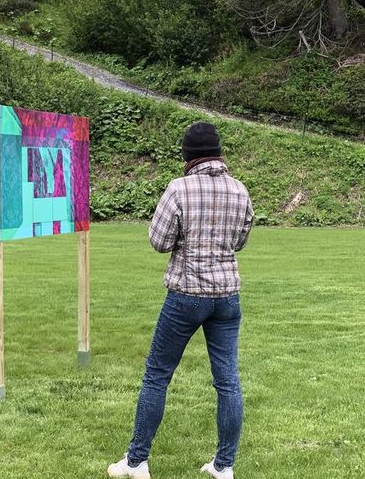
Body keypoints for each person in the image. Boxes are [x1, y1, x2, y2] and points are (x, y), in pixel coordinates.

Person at [108, 121, 254, 479]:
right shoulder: (239, 190)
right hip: (227, 296)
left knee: (157, 375)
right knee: (228, 381)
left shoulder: (179, 189)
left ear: (187, 156)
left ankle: (137, 461)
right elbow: (240, 241)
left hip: (186, 294)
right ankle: (224, 466)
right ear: (219, 153)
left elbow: (159, 241)